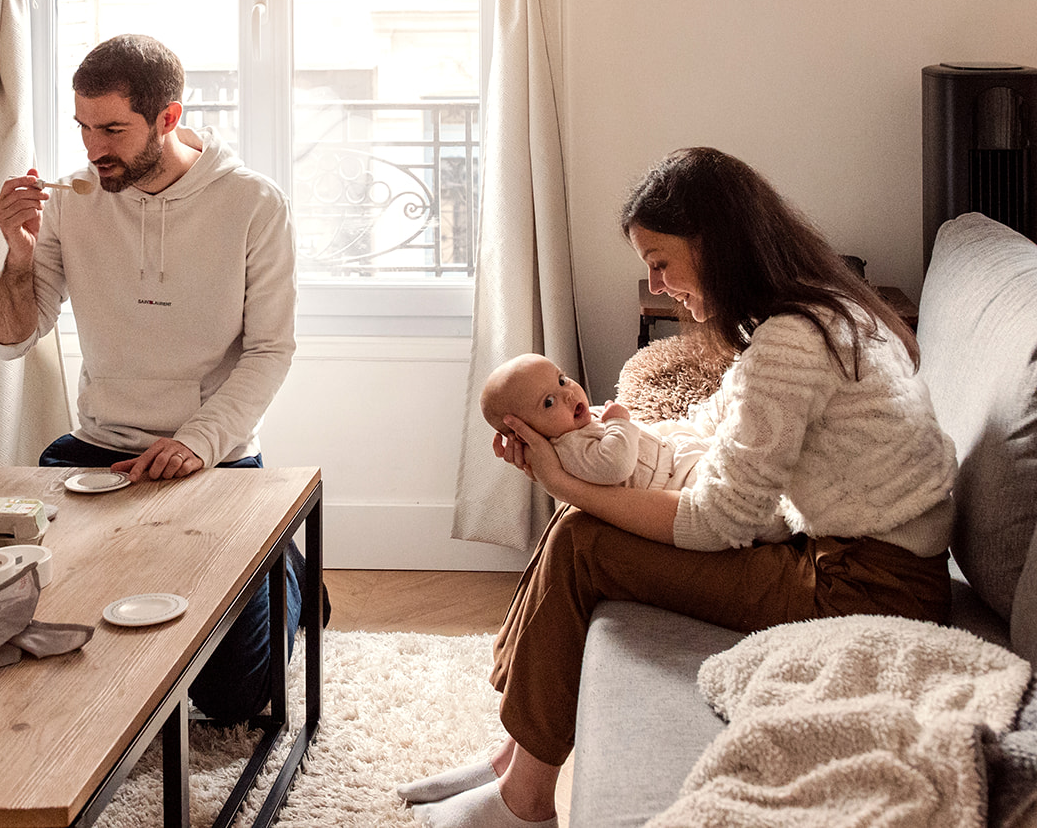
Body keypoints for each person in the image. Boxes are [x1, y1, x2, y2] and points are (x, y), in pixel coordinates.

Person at [399, 147, 956, 828]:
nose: (658, 286)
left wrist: (564, 481)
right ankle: (513, 756)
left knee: (581, 539)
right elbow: (708, 423)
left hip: (868, 587)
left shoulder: (792, 342)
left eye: (661, 261)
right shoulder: (814, 312)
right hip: (862, 563)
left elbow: (718, 519)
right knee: (578, 521)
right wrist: (592, 441)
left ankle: (524, 801)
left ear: (714, 241)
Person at [0, 33, 306, 724]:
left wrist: (199, 440)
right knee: (47, 646)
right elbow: (13, 336)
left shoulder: (254, 203)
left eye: (112, 129)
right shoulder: (72, 201)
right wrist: (17, 255)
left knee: (234, 701)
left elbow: (271, 349)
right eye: (83, 127)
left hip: (213, 456)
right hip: (97, 448)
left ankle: (290, 572)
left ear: (167, 117)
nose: (94, 147)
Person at [479, 354, 707, 490]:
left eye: (562, 380)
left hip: (671, 454)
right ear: (524, 432)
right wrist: (618, 421)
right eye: (549, 402)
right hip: (673, 481)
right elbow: (616, 466)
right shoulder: (568, 450)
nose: (568, 394)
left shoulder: (575, 423)